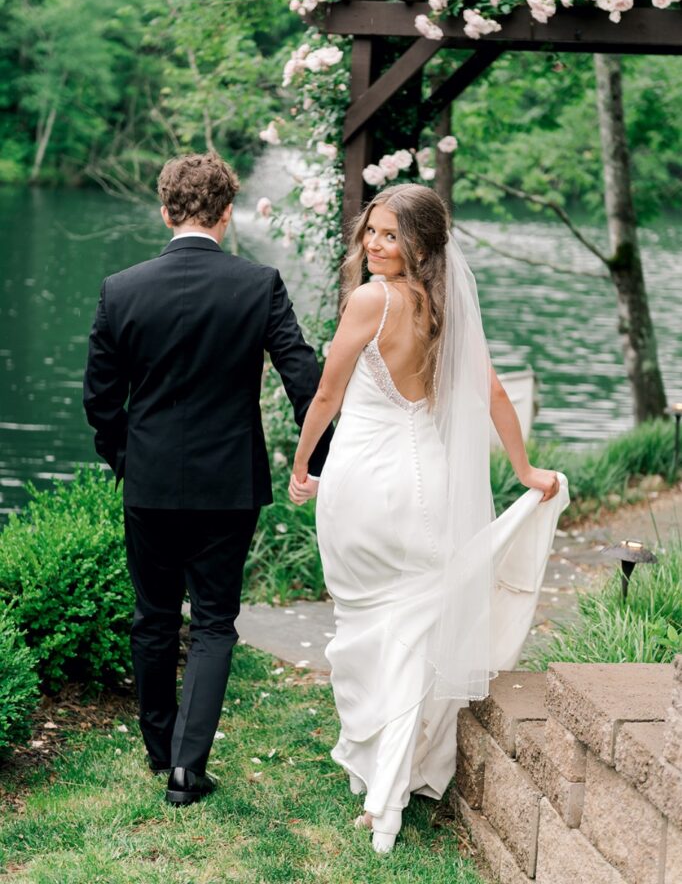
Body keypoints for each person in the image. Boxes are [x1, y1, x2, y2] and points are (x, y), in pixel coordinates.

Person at [289, 183, 568, 854]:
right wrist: (526, 470)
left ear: (419, 245)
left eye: (390, 235)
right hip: (429, 484)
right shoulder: (444, 307)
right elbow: (493, 392)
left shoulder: (371, 300)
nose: (374, 244)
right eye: (371, 231)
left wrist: (301, 466)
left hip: (364, 484)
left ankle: (380, 786)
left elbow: (327, 393)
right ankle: (391, 785)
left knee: (368, 626)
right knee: (412, 631)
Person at [83, 151, 332, 806]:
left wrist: (126, 458)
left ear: (165, 212)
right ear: (227, 214)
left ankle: (160, 748)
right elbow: (305, 379)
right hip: (229, 484)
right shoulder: (259, 284)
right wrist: (320, 459)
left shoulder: (121, 288)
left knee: (154, 616)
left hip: (150, 481)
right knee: (216, 621)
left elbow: (100, 401)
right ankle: (187, 770)